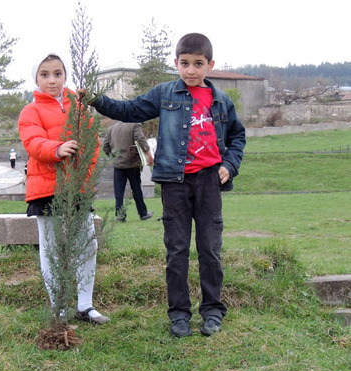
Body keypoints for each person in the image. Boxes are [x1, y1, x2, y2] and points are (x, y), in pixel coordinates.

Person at [85, 33, 246, 337]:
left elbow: (238, 136)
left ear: (210, 65)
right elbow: (129, 110)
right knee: (177, 250)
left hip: (210, 182)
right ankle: (179, 314)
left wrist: (230, 165)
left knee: (210, 249)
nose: (191, 70)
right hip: (174, 183)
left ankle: (212, 310)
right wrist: (97, 100)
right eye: (185, 63)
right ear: (176, 63)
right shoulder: (164, 94)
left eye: (198, 64)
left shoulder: (221, 100)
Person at [18, 53, 109, 324]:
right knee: (51, 248)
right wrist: (56, 149)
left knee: (87, 245)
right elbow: (32, 142)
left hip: (76, 188)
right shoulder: (30, 111)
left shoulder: (78, 108)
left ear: (65, 76)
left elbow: (91, 145)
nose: (52, 80)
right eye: (44, 74)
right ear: (35, 78)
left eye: (58, 73)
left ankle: (85, 305)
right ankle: (58, 307)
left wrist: (86, 177)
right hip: (46, 189)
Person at [103, 121, 154, 222]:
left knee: (119, 192)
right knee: (136, 190)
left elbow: (105, 147)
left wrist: (113, 157)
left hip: (118, 164)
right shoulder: (134, 125)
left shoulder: (111, 129)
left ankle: (120, 216)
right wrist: (148, 153)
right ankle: (143, 213)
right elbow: (140, 139)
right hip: (132, 163)